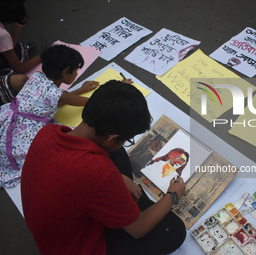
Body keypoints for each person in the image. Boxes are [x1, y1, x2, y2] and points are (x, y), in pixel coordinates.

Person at [21, 81, 187, 255]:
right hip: (76, 247)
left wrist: (118, 178)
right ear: (112, 137)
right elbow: (138, 230)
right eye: (127, 139)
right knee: (173, 230)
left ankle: (135, 206)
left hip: (57, 226)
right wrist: (172, 196)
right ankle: (138, 208)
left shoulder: (48, 131)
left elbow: (92, 172)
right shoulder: (98, 172)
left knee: (117, 154)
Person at [0, 44, 99, 188]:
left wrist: (81, 89)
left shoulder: (36, 77)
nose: (77, 74)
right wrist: (117, 87)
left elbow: (60, 98)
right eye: (76, 70)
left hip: (6, 121)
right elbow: (90, 102)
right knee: (64, 144)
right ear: (66, 72)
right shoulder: (58, 94)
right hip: (22, 135)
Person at [0, 0, 41, 105]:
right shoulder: (2, 34)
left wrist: (17, 28)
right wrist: (43, 56)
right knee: (21, 80)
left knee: (16, 49)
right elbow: (19, 68)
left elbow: (8, 47)